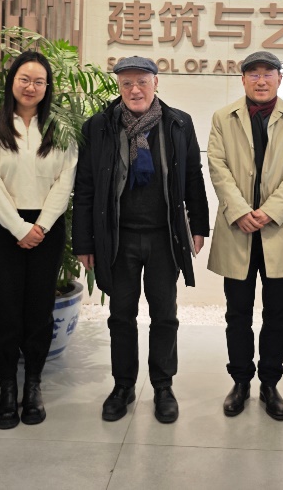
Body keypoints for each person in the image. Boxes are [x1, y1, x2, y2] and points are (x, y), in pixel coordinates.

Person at [73, 56, 210, 424]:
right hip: (118, 238)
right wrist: (83, 242)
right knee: (121, 315)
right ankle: (123, 385)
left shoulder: (178, 123)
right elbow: (85, 186)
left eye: (142, 82)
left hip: (164, 236)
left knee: (165, 315)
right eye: (127, 83)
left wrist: (199, 225)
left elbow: (193, 177)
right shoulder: (99, 126)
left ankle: (163, 386)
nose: (135, 90)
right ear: (119, 87)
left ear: (156, 83)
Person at [207, 50, 283, 421]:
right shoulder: (223, 118)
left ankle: (270, 383)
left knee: (277, 314)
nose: (261, 80)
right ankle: (240, 382)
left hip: (279, 230)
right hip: (237, 230)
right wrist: (239, 210)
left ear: (279, 78)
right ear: (243, 80)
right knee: (237, 314)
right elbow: (217, 166)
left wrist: (270, 210)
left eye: (268, 73)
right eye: (253, 74)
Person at [0, 51, 78, 429]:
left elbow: (65, 180)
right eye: (24, 79)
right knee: (4, 309)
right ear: (12, 82)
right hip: (2, 228)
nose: (30, 87)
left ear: (47, 87)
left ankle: (32, 384)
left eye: (38, 81)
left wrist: (41, 226)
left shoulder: (60, 128)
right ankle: (7, 386)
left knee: (38, 309)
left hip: (46, 230)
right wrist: (19, 228)